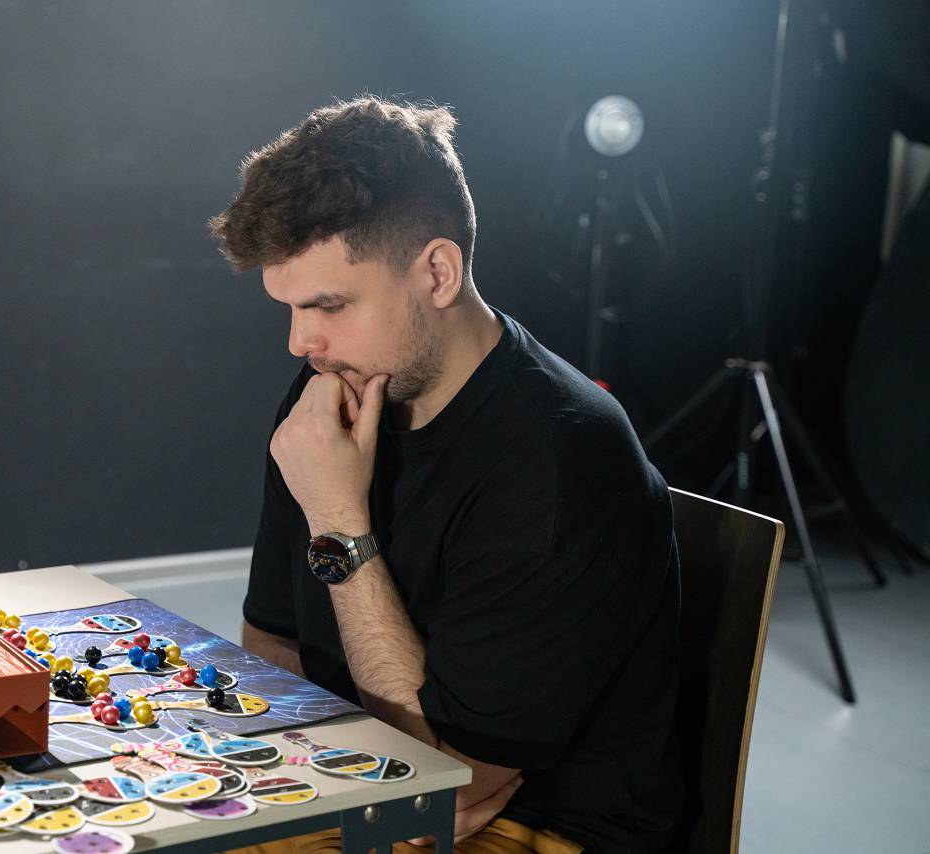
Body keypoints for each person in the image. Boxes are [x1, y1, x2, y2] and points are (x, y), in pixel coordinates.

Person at [209, 97, 682, 853]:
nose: (301, 342)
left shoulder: (561, 459)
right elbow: (271, 643)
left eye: (329, 305)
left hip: (533, 827)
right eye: (290, 308)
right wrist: (350, 775)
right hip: (365, 779)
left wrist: (338, 520)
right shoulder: (328, 398)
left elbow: (443, 784)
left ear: (437, 271)